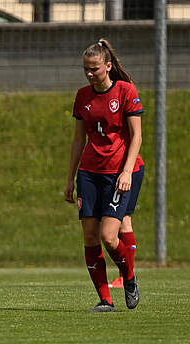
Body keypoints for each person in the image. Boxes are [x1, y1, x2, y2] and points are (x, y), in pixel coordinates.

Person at [64, 39, 143, 312]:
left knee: (110, 236)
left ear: (108, 66)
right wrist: (69, 179)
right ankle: (105, 300)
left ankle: (129, 277)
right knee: (90, 237)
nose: (89, 73)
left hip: (119, 172)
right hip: (89, 173)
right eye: (86, 69)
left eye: (94, 69)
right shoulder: (82, 96)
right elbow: (77, 141)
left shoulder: (125, 91)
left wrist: (126, 172)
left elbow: (137, 136)